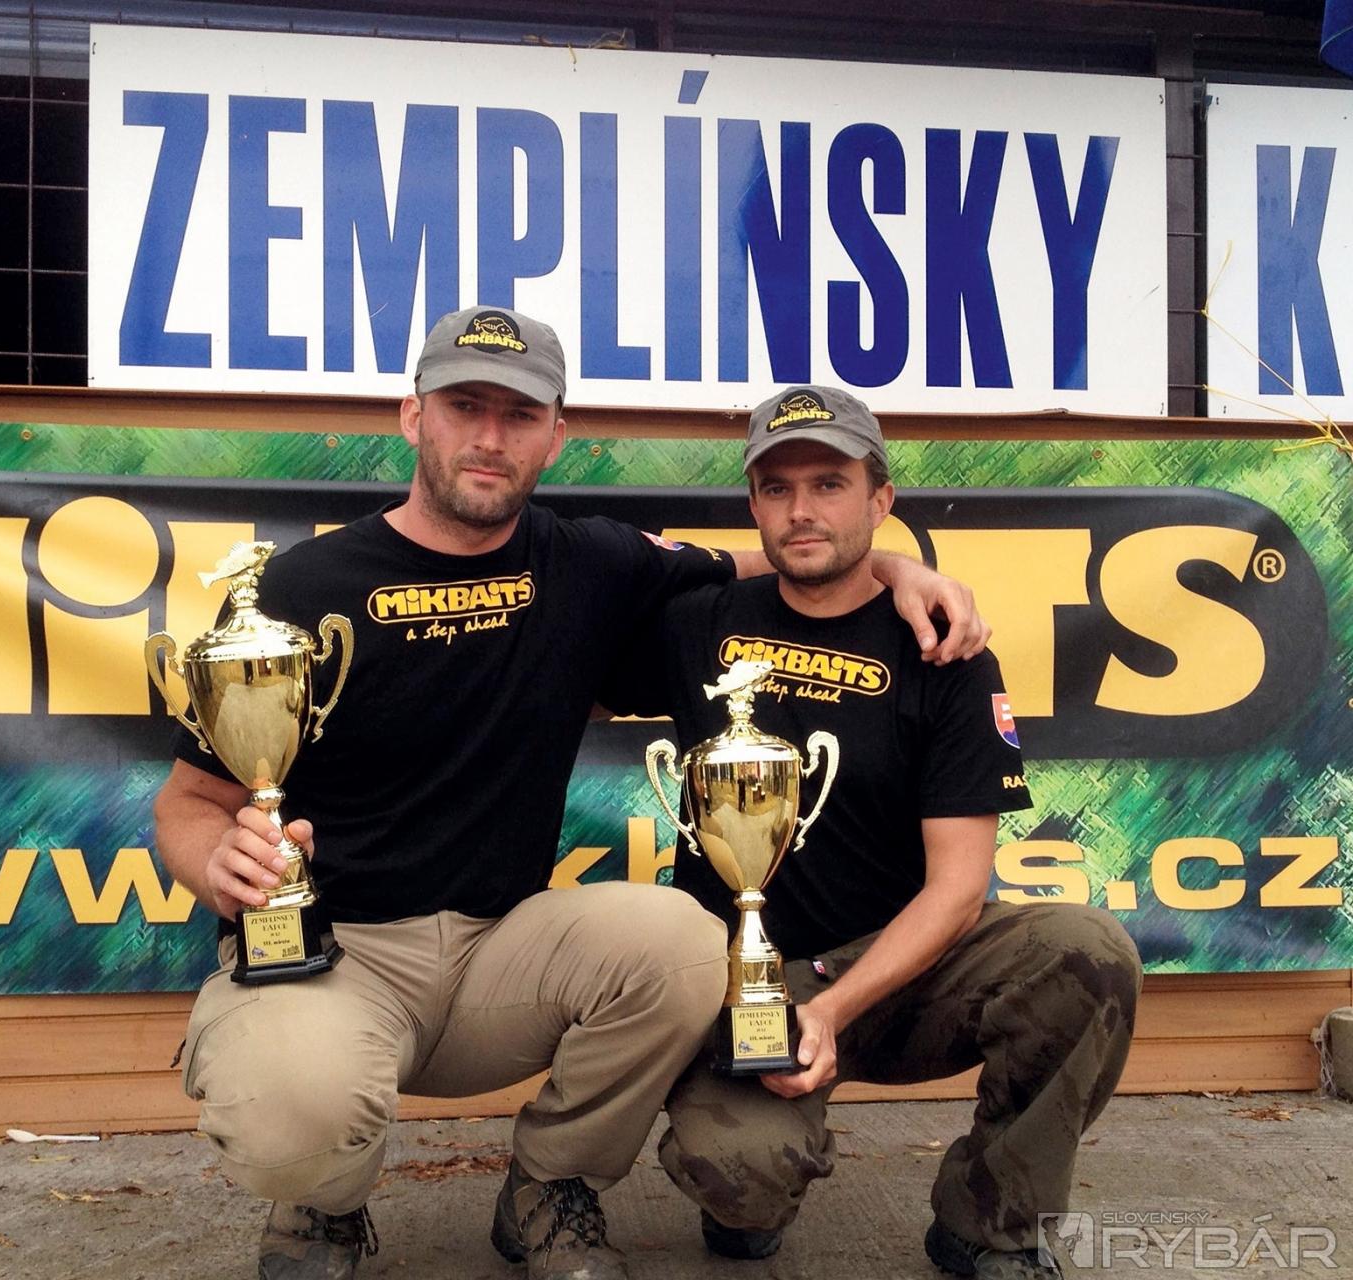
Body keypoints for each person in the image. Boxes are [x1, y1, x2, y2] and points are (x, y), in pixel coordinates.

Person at [152, 312, 989, 1280]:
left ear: (557, 435)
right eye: (465, 407)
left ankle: (550, 1184)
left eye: (519, 415)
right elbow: (186, 802)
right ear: (413, 416)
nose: (490, 437)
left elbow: (781, 560)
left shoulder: (591, 562)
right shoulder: (302, 585)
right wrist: (215, 862)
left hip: (501, 951)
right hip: (337, 953)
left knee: (688, 944)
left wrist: (897, 567)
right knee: (294, 1108)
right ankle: (322, 1201)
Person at [603, 385, 1143, 1280]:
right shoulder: (695, 622)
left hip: (902, 972)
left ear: (880, 498)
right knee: (737, 1173)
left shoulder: (944, 651)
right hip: (745, 980)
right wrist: (899, 564)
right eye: (778, 488)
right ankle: (755, 1185)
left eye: (829, 484)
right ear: (754, 506)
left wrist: (832, 1010)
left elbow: (959, 888)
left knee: (1087, 951)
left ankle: (989, 1220)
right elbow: (571, 650)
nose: (802, 510)